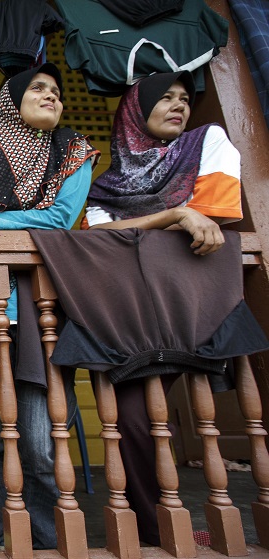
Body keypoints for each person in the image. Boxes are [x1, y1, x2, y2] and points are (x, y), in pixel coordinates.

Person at [84, 70, 243, 545]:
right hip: (126, 308)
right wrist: (176, 213)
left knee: (158, 413)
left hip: (190, 298)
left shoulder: (205, 142)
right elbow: (95, 236)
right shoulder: (106, 184)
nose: (180, 106)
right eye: (166, 98)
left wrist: (146, 228)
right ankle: (156, 527)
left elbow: (214, 216)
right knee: (132, 417)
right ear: (135, 111)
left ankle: (168, 525)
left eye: (185, 98)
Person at [0, 62, 99, 549]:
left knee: (40, 442)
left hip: (45, 319)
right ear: (9, 103)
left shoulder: (75, 154)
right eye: (38, 88)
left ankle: (44, 535)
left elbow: (59, 219)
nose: (52, 96)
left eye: (57, 91)